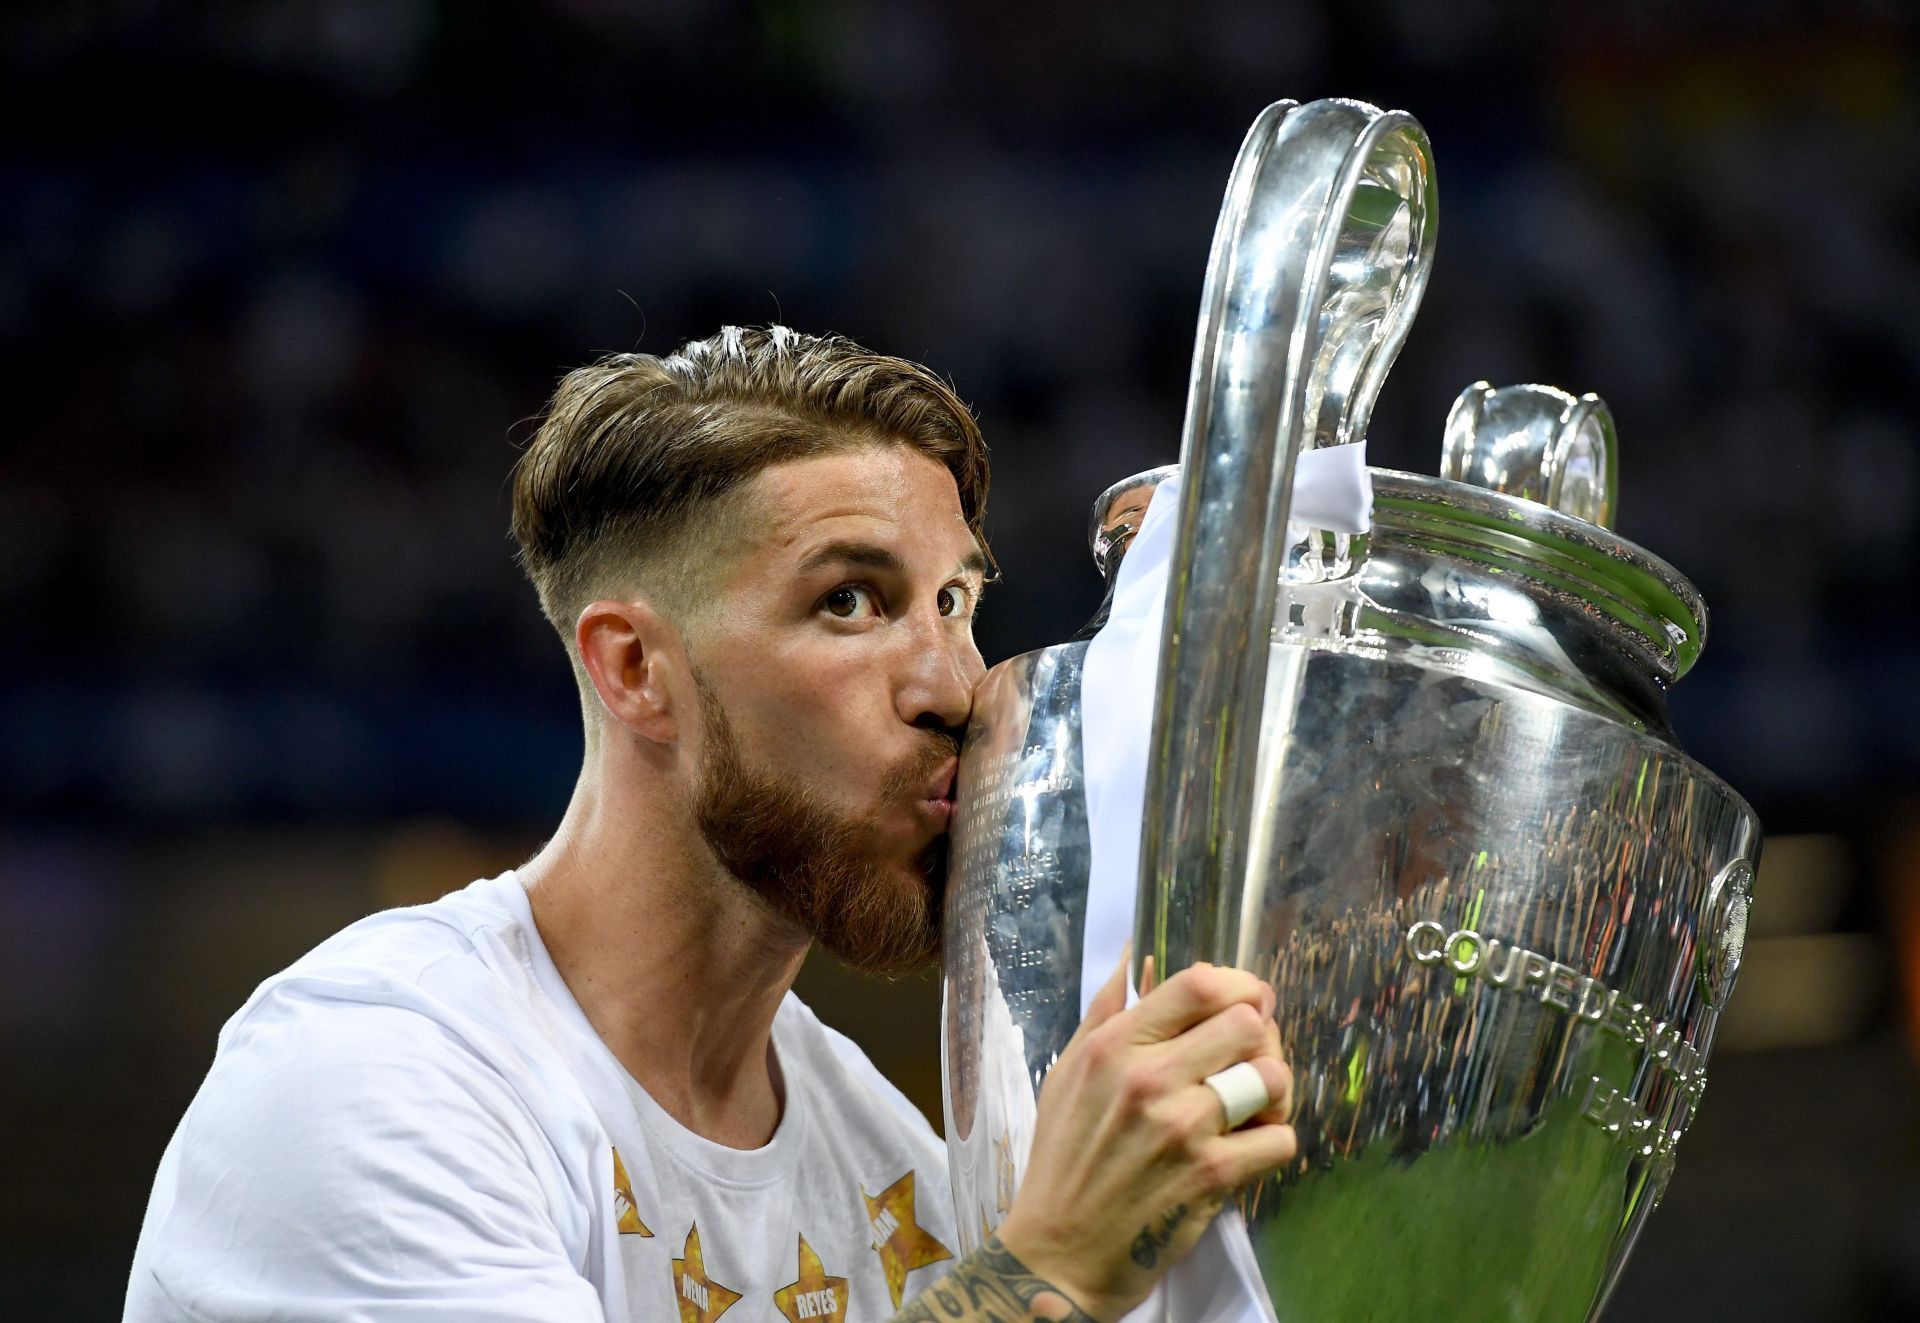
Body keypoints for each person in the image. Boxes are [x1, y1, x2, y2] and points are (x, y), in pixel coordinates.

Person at [124, 326, 1297, 1322]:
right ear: (636, 669)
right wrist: (1048, 1267)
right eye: (851, 602)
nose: (954, 686)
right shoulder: (377, 1076)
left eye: (955, 602)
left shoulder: (885, 1160)